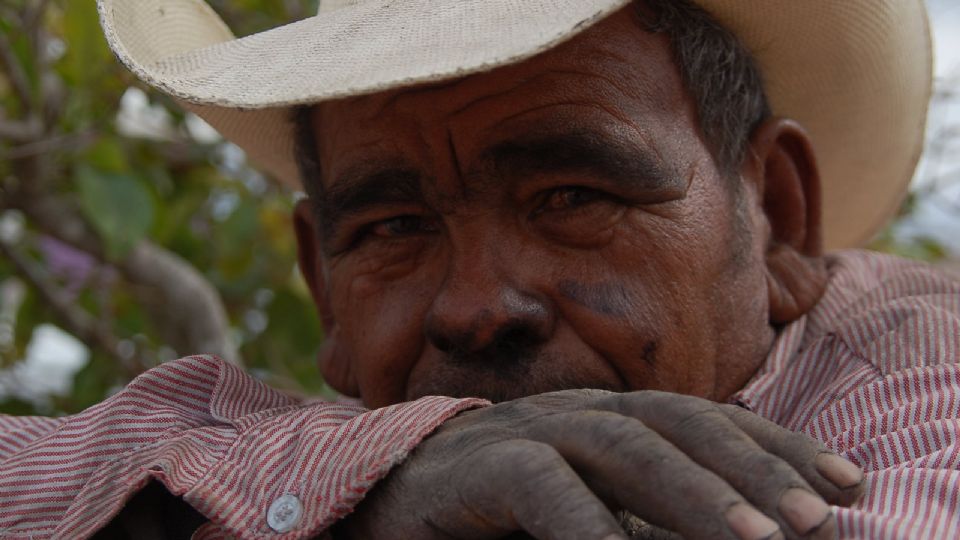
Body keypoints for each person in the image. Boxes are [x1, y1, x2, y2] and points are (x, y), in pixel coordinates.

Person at [2, 0, 958, 538]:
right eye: (394, 227)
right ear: (326, 292)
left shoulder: (924, 382)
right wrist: (369, 482)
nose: (474, 309)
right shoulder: (380, 448)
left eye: (575, 197)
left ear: (777, 220)